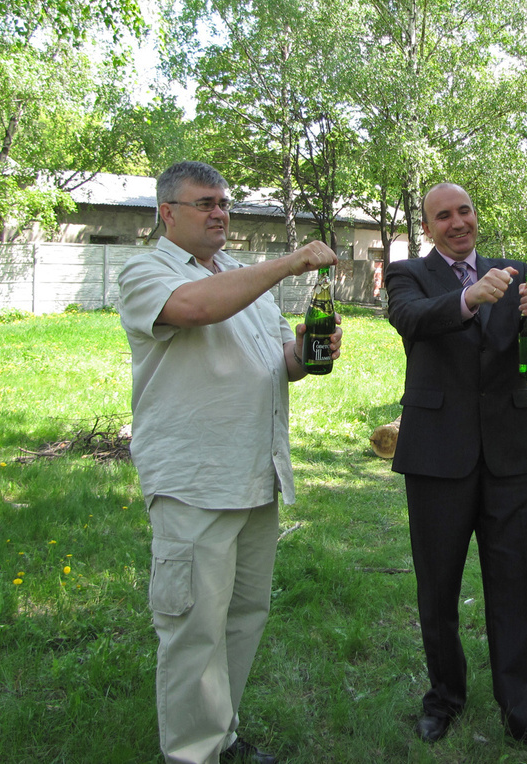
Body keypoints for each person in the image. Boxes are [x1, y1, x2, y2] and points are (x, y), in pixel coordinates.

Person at [118, 161, 342, 764]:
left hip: (254, 474)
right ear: (167, 213)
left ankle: (222, 736)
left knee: (244, 615)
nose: (220, 212)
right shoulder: (147, 270)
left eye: (224, 202)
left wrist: (308, 351)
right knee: (193, 626)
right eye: (204, 203)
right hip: (194, 480)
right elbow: (192, 310)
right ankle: (191, 754)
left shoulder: (240, 277)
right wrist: (289, 263)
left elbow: (277, 362)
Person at [384, 183, 527, 761]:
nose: (457, 222)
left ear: (477, 215)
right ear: (428, 228)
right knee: (437, 586)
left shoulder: (512, 271)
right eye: (442, 216)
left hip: (510, 452)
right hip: (437, 455)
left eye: (464, 210)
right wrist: (470, 301)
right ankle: (444, 698)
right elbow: (413, 320)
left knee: (519, 585)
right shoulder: (407, 275)